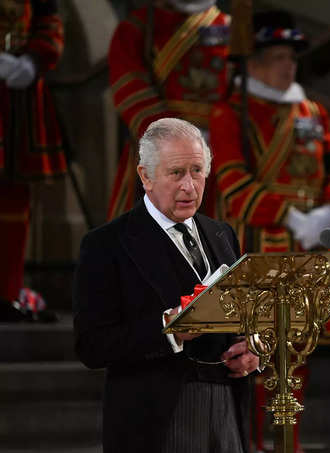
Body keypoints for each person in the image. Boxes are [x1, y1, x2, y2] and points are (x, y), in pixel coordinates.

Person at [209, 10, 330, 452]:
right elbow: (233, 183)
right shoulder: (231, 112)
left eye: (291, 57)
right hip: (262, 243)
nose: (287, 65)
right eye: (275, 56)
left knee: (299, 351)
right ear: (251, 63)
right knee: (255, 352)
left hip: (309, 245)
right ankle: (254, 442)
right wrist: (291, 215)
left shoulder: (313, 111)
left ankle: (286, 442)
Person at [73, 118, 259, 453]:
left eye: (197, 171)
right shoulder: (106, 244)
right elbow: (92, 345)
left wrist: (252, 351)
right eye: (176, 173)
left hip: (227, 410)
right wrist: (168, 329)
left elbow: (242, 319)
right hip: (156, 420)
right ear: (145, 176)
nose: (189, 186)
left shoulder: (222, 234)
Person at [106, 0, 231, 219]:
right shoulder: (138, 28)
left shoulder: (233, 29)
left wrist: (223, 131)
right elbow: (131, 89)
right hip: (159, 150)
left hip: (221, 154)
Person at [0, 0, 65, 321]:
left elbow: (48, 19)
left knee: (14, 196)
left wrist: (33, 58)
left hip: (17, 97)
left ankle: (7, 294)